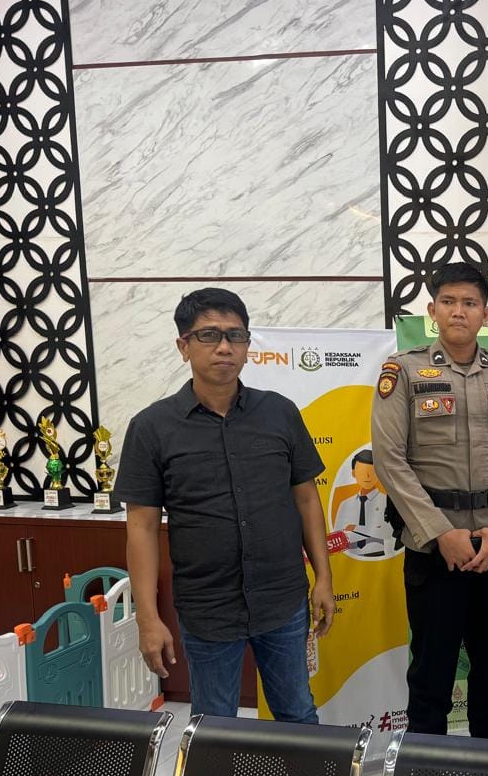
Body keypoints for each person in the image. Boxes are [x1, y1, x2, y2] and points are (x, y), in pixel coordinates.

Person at [116, 287, 335, 723]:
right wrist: (147, 618)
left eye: (236, 336)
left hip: (282, 599)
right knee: (213, 726)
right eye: (209, 335)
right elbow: (141, 528)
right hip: (208, 607)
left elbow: (307, 498)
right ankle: (215, 774)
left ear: (247, 345)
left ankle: (307, 774)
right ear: (183, 346)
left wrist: (324, 578)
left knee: (297, 714)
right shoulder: (152, 427)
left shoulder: (279, 412)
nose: (224, 347)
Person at [371, 262, 488, 739]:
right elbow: (389, 461)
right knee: (431, 676)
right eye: (448, 302)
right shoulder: (404, 372)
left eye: (470, 303)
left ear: (486, 314)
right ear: (432, 311)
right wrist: (439, 533)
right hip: (435, 551)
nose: (458, 311)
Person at [333, 449, 393, 557]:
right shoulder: (345, 504)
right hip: (348, 557)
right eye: (361, 471)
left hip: (378, 555)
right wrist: (373, 529)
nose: (367, 476)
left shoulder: (387, 500)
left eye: (372, 471)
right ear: (353, 473)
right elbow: (337, 535)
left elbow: (388, 532)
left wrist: (355, 528)